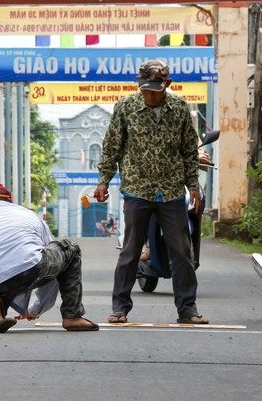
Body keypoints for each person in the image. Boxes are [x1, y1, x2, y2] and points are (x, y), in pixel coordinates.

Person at [94, 59, 209, 325]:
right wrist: (103, 180)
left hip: (170, 191)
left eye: (155, 90)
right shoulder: (126, 107)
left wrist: (193, 185)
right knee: (131, 249)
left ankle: (187, 309)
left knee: (181, 250)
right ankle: (120, 306)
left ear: (167, 85)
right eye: (145, 89)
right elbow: (112, 146)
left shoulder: (179, 109)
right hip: (137, 189)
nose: (149, 95)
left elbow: (188, 151)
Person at [0, 184, 99, 333]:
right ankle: (72, 316)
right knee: (70, 248)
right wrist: (36, 309)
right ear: (10, 201)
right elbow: (54, 266)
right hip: (30, 267)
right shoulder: (30, 215)